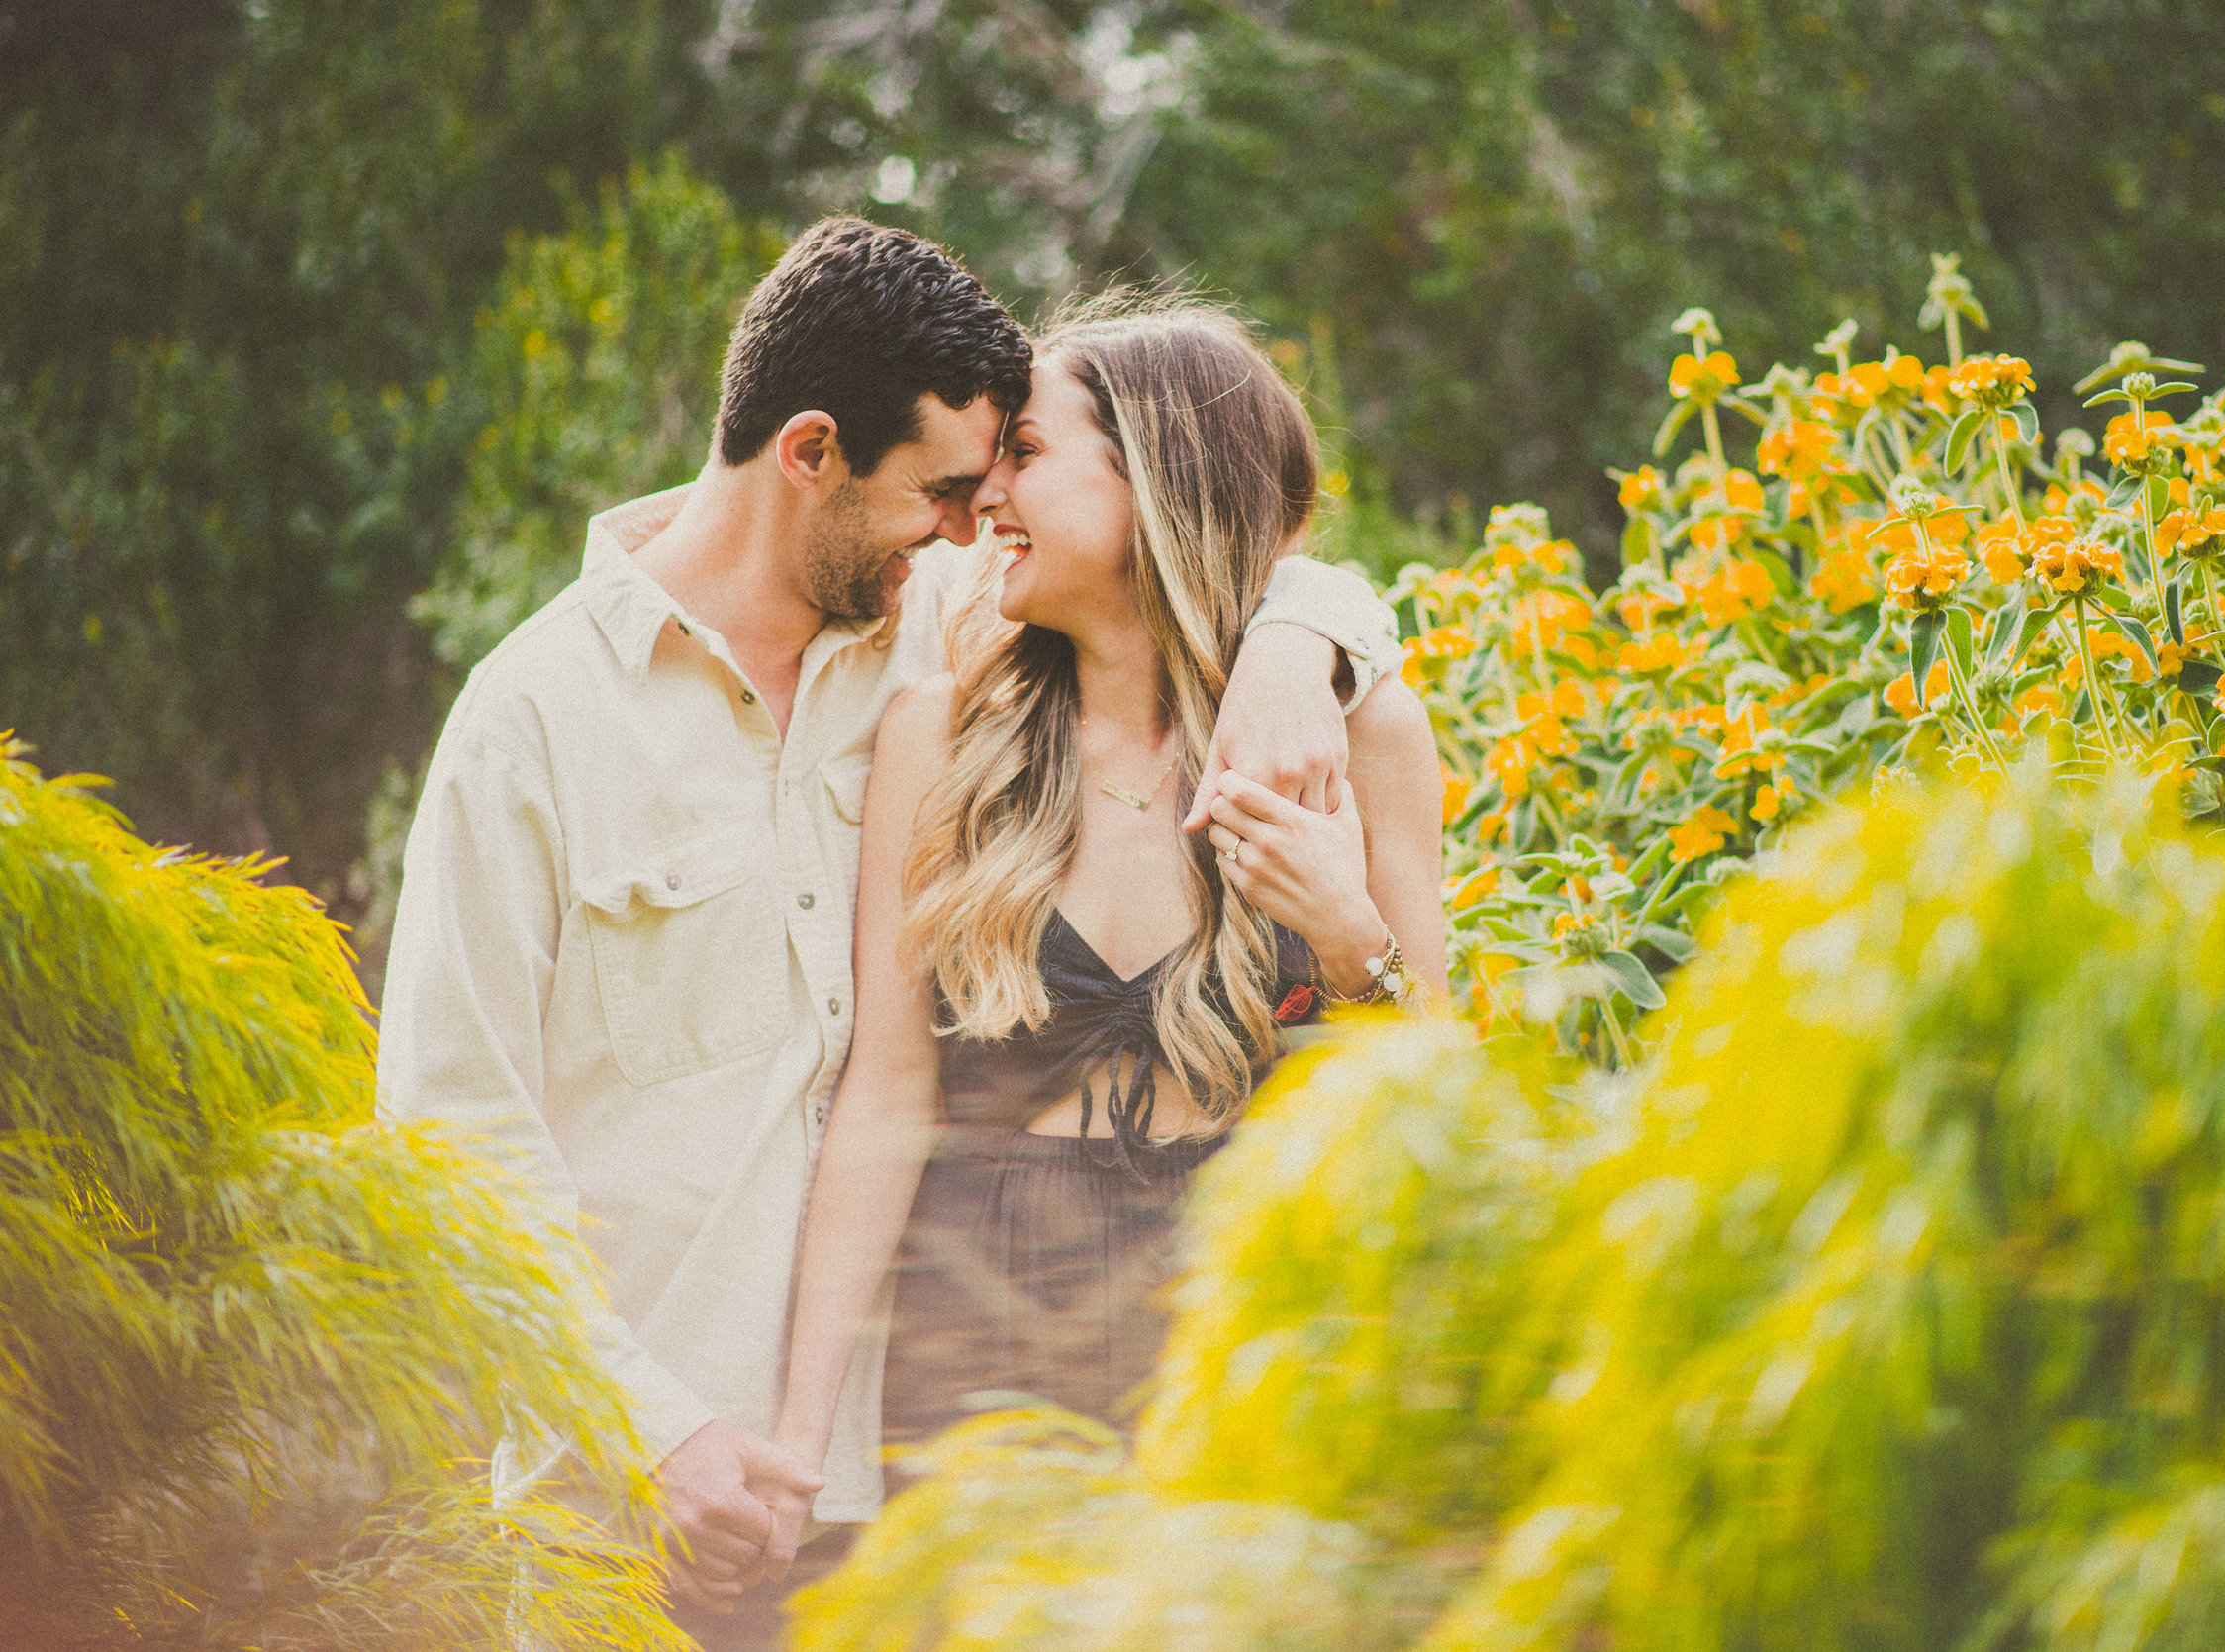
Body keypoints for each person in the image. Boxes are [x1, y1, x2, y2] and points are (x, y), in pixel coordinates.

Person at [372, 225, 1403, 1646]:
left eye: (999, 485)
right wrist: (655, 1429)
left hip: (913, 1450)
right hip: (649, 1486)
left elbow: (1228, 532)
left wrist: (1305, 635)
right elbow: (454, 1136)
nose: (976, 529)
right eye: (947, 492)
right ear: (812, 453)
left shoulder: (927, 648)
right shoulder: (538, 724)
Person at [770, 298, 1446, 1495]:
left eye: (1024, 456)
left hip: (1251, 1308)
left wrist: (1353, 944)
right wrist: (801, 1441)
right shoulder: (943, 737)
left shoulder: (1361, 730)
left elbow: (1435, 1091)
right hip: (979, 1313)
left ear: (1160, 477)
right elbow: (884, 1095)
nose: (986, 501)